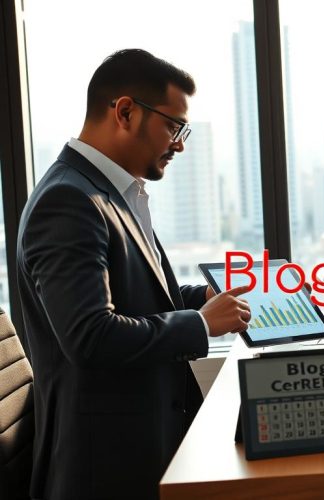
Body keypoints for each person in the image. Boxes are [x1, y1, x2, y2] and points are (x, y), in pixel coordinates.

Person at [17, 49, 252, 500]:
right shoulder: (69, 201)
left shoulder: (113, 191)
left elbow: (139, 295)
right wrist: (202, 324)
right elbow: (91, 336)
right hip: (105, 466)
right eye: (174, 126)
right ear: (125, 111)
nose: (180, 143)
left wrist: (203, 295)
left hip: (145, 443)